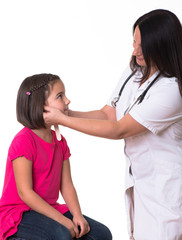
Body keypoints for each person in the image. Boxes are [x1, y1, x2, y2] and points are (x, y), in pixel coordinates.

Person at [43, 9, 182, 240]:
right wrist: (66, 112)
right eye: (134, 41)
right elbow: (108, 115)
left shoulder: (172, 91)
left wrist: (61, 119)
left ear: (161, 45)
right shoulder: (134, 71)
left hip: (166, 187)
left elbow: (119, 129)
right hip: (140, 183)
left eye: (142, 45)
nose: (135, 50)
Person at [0, 74, 112, 240]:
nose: (67, 100)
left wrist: (77, 216)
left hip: (49, 208)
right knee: (62, 234)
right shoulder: (23, 140)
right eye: (60, 96)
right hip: (19, 212)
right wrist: (62, 221)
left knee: (101, 234)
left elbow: (66, 185)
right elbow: (25, 193)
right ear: (41, 105)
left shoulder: (60, 141)